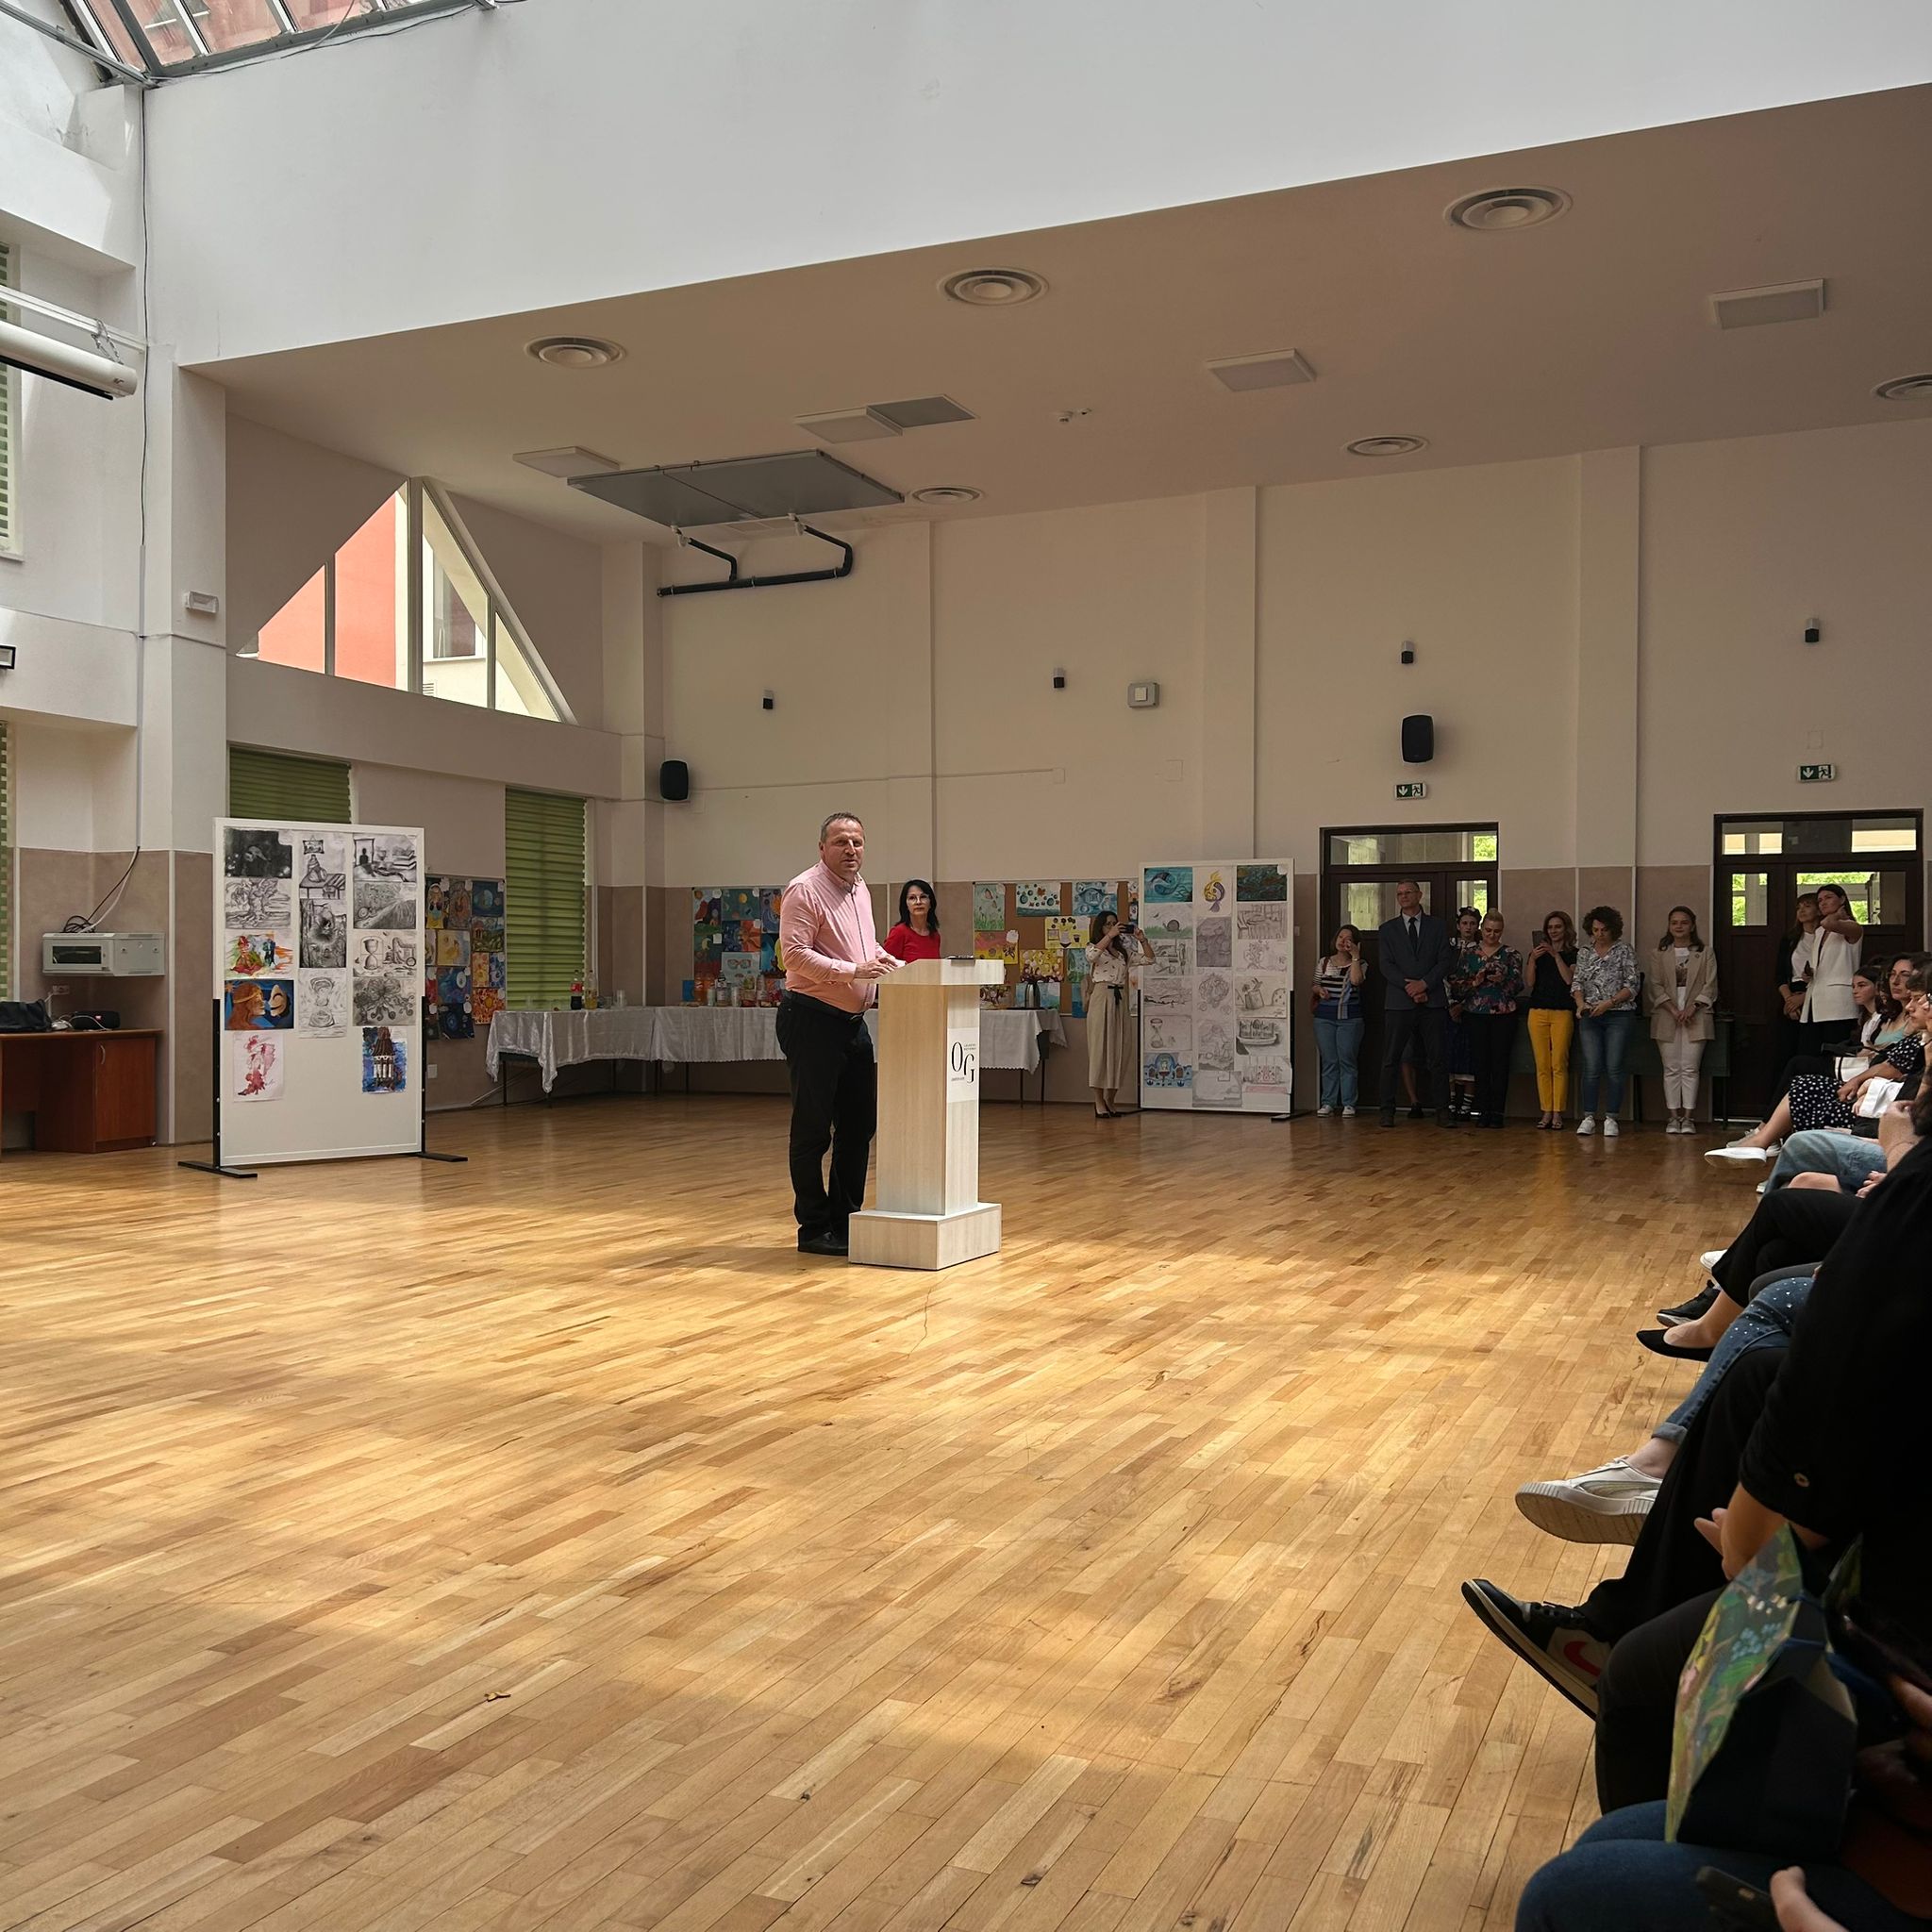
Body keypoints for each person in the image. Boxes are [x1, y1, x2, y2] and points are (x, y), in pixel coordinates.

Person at [775, 811, 898, 1257]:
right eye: (841, 842)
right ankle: (813, 1228)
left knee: (860, 1124)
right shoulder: (805, 889)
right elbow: (794, 956)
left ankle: (846, 1223)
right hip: (811, 1018)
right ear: (822, 848)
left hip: (851, 1024)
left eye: (857, 842)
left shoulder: (860, 888)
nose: (851, 850)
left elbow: (863, 949)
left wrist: (889, 964)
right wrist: (854, 971)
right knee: (813, 1129)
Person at [1376, 878, 1457, 1128]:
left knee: (1437, 1058)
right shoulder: (1387, 929)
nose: (1403, 896)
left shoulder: (1437, 926)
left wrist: (1424, 984)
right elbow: (1386, 965)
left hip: (1432, 1001)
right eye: (1399, 893)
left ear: (1419, 895)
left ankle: (1443, 1111)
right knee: (1391, 1058)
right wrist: (1410, 987)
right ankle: (1387, 1111)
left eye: (1408, 892)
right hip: (1399, 1002)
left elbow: (1444, 961)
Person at [1646, 906, 1718, 1135]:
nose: (1679, 926)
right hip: (1667, 1016)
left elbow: (1710, 985)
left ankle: (1688, 1118)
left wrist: (1692, 1008)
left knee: (1690, 1068)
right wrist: (1673, 1009)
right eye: (1674, 922)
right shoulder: (1659, 954)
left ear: (1692, 926)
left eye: (1684, 922)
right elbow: (1655, 985)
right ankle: (1673, 1116)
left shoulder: (1705, 953)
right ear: (1669, 926)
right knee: (1671, 1068)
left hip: (1696, 1017)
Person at [1573, 906, 1641, 1136]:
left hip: (1618, 1015)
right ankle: (1589, 1116)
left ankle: (1611, 1117)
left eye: (1604, 930)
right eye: (1595, 930)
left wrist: (1609, 1003)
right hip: (1590, 1016)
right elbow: (1577, 983)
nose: (1600, 934)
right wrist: (1580, 1004)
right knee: (1591, 1066)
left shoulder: (1624, 951)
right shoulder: (1584, 952)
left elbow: (1632, 985)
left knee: (1614, 1066)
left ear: (1613, 929)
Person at [1451, 910, 1523, 1128]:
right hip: (1475, 1014)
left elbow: (1518, 986)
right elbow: (1457, 985)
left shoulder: (1511, 954)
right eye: (1488, 930)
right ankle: (1482, 1111)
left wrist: (1502, 980)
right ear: (1482, 929)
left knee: (1500, 1064)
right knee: (1480, 1063)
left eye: (1497, 931)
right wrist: (1475, 981)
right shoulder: (1469, 954)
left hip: (1503, 1015)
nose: (1492, 935)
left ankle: (1497, 1112)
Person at [1086, 910, 1152, 1118]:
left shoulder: (1124, 952)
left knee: (1120, 1049)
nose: (1113, 926)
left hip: (1120, 999)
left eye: (1115, 923)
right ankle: (1098, 1101)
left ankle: (1110, 1099)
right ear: (1101, 927)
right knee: (1100, 1050)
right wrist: (1109, 936)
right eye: (1108, 924)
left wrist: (1142, 940)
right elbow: (1091, 956)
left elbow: (1150, 959)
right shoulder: (1094, 947)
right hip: (1101, 998)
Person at [1524, 911, 1578, 1130]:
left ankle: (1558, 1112)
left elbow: (1569, 980)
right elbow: (1530, 982)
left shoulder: (1573, 954)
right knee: (1542, 1064)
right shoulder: (1537, 953)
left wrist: (1556, 956)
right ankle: (1546, 1110)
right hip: (1537, 1011)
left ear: (1566, 929)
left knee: (1559, 1064)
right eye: (1550, 927)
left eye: (1558, 927)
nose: (1553, 931)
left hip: (1562, 1012)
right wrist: (1532, 960)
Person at [1311, 924, 1366, 1116]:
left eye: (1348, 938)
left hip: (1350, 1019)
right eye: (1340, 937)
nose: (1343, 941)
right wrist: (1320, 990)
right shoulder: (1324, 962)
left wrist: (1355, 956)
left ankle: (1349, 1103)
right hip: (1324, 1018)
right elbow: (1315, 984)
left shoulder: (1361, 963)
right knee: (1329, 1060)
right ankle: (1328, 1102)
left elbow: (1356, 981)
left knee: (1347, 1060)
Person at [1445, 906, 1484, 1120]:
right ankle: (1450, 1102)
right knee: (1448, 1054)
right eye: (1465, 923)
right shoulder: (1448, 947)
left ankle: (1467, 1105)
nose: (1468, 927)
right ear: (1458, 925)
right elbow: (1442, 975)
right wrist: (1451, 1003)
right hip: (1447, 1006)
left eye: (1472, 923)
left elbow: (1481, 981)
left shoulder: (1481, 949)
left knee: (1469, 1056)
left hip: (1471, 1008)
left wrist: (1463, 1004)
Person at [884, 879, 942, 963]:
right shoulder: (899, 932)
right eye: (912, 898)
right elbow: (885, 964)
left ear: (930, 903)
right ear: (906, 905)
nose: (918, 902)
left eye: (923, 897)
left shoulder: (934, 935)